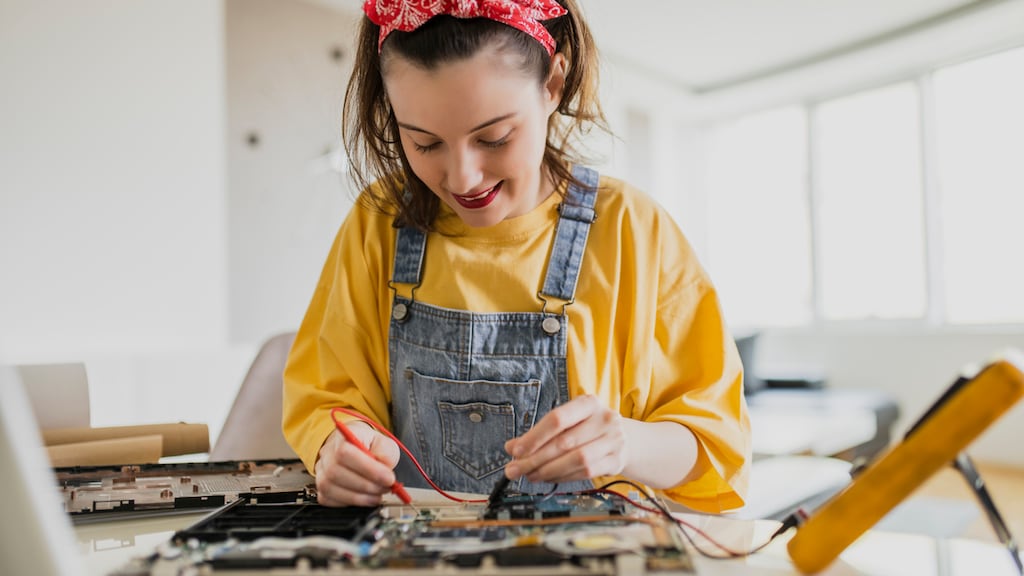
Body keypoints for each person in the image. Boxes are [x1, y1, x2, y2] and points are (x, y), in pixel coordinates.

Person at [282, 0, 750, 514]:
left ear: (553, 84)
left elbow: (715, 448)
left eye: (493, 137)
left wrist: (627, 443)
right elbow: (326, 400)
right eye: (424, 143)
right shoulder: (378, 222)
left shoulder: (632, 229)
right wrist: (338, 449)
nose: (461, 178)